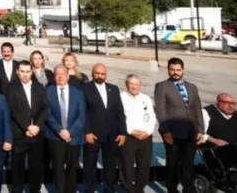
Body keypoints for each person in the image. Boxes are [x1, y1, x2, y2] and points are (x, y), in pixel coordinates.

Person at [154, 57, 204, 193]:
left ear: (183, 70)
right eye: (172, 70)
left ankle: (189, 189)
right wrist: (166, 131)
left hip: (191, 132)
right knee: (173, 163)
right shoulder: (162, 86)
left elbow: (197, 109)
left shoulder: (192, 87)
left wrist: (200, 129)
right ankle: (172, 189)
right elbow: (160, 110)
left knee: (188, 164)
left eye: (178, 70)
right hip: (172, 133)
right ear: (168, 70)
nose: (175, 72)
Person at [82, 63, 127, 193]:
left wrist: (122, 132)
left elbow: (120, 112)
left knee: (111, 163)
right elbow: (83, 112)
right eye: (97, 73)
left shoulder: (113, 88)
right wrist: (87, 131)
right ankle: (89, 188)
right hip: (93, 134)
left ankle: (110, 187)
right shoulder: (85, 89)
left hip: (112, 134)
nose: (100, 76)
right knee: (90, 163)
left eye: (103, 74)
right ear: (92, 73)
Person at [6, 60, 48, 193]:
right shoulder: (11, 88)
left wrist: (37, 126)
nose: (25, 74)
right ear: (17, 72)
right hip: (19, 134)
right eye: (22, 71)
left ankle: (35, 189)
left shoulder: (39, 87)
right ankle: (17, 190)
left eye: (27, 71)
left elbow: (45, 108)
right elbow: (12, 110)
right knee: (17, 166)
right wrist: (27, 127)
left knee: (35, 166)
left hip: (36, 134)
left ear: (32, 72)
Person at [46, 65, 86, 193]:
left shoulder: (78, 93)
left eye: (63, 74)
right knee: (57, 167)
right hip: (55, 136)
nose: (60, 76)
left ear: (68, 76)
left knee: (72, 167)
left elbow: (81, 116)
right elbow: (47, 114)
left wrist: (70, 132)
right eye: (57, 74)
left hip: (74, 137)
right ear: (54, 76)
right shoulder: (47, 91)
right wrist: (60, 131)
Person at [120, 74, 157, 193]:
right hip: (129, 136)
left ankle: (139, 188)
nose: (134, 87)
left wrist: (148, 131)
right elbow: (120, 118)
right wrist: (131, 131)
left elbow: (152, 117)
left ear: (140, 86)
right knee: (127, 164)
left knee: (144, 164)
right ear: (127, 85)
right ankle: (128, 188)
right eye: (131, 84)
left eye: (136, 84)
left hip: (146, 136)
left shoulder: (146, 98)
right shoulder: (121, 97)